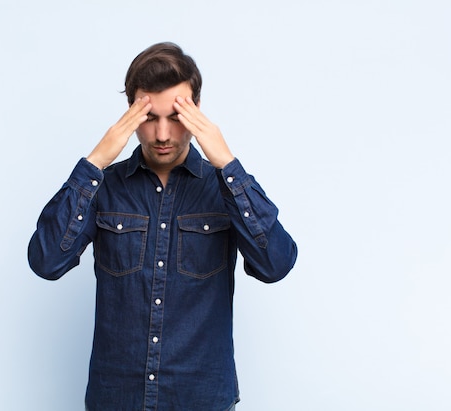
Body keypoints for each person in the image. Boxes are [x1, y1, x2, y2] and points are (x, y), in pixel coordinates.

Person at [28, 42, 297, 411]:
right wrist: (95, 163)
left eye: (175, 116)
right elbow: (46, 261)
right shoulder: (105, 187)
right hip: (117, 399)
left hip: (201, 398)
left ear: (197, 111)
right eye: (150, 117)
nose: (162, 134)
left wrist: (228, 165)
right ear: (131, 115)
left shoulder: (226, 189)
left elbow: (276, 264)